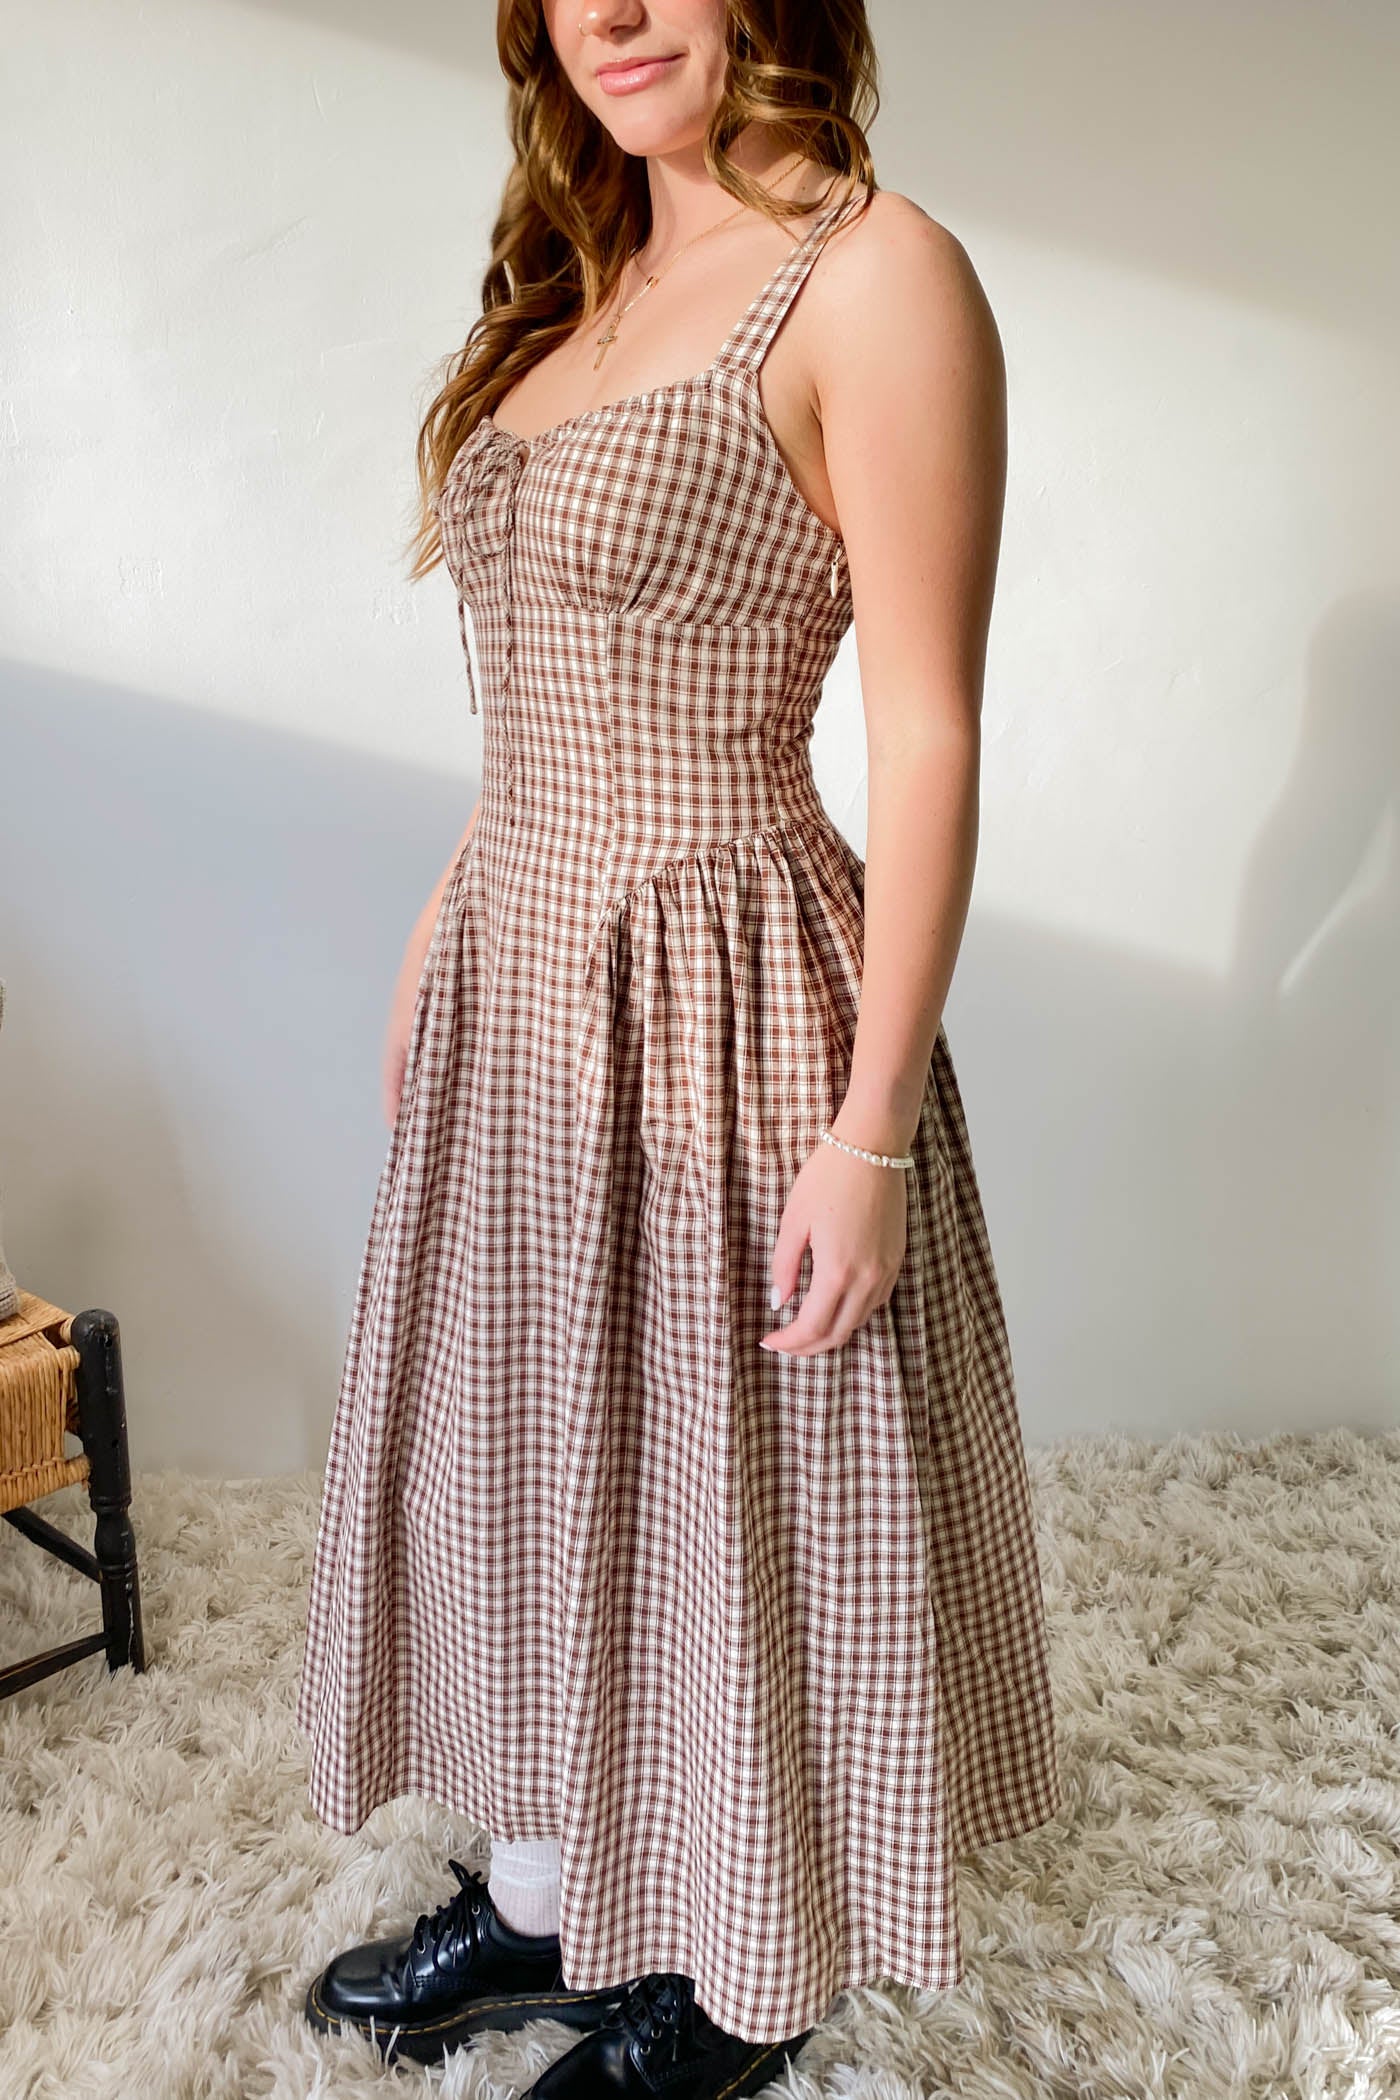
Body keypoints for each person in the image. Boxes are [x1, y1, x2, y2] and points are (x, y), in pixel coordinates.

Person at [294, 4, 1063, 2095]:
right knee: (532, 1456)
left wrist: (875, 1128)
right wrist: (452, 905)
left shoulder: (877, 275)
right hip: (518, 975)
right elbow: (537, 671)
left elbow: (927, 728)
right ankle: (545, 1899)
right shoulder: (584, 273)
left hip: (721, 988)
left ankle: (740, 1974)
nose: (613, 11)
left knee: (720, 1484)